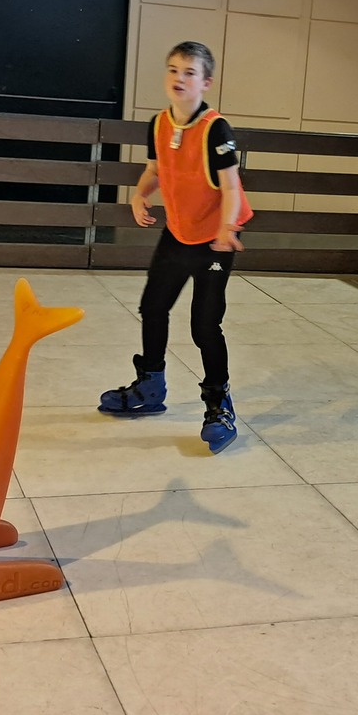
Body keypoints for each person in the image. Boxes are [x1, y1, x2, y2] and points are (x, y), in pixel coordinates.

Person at [98, 41, 252, 452]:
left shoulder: (216, 129)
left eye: (189, 72)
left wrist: (227, 229)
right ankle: (150, 386)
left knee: (204, 325)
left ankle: (218, 404)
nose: (179, 78)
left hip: (217, 238)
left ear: (206, 82)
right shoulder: (159, 124)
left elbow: (231, 187)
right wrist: (139, 194)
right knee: (153, 307)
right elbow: (155, 170)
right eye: (173, 70)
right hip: (179, 232)